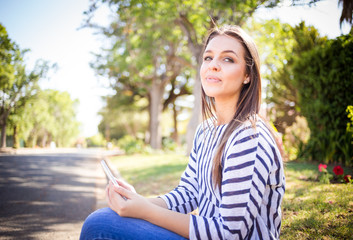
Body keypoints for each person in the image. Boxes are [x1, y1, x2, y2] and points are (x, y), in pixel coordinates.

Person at [80, 25, 285, 240]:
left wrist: (145, 211)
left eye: (228, 59)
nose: (213, 65)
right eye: (208, 58)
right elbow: (189, 193)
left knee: (99, 224)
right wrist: (137, 201)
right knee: (103, 220)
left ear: (247, 75)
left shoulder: (248, 136)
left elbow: (229, 233)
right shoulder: (206, 131)